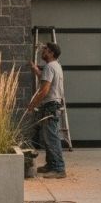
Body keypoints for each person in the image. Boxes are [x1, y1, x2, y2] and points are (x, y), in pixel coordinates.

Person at [28, 42, 66, 179]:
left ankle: (58, 169)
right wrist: (35, 70)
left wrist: (33, 104)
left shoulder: (50, 67)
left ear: (51, 53)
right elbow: (45, 80)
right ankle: (51, 165)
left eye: (45, 50)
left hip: (50, 105)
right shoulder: (55, 65)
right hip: (52, 105)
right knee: (49, 136)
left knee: (52, 138)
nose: (43, 52)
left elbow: (44, 89)